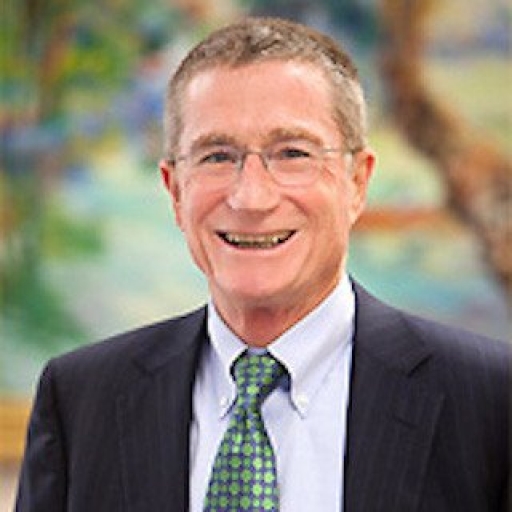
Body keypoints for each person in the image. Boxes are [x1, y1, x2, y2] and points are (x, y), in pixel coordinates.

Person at [15, 17, 510, 512]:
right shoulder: (81, 402)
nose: (251, 197)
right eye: (217, 156)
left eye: (292, 153)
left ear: (357, 182)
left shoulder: (491, 401)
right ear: (175, 190)